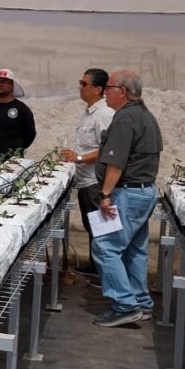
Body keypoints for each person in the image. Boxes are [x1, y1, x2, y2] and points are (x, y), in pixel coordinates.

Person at [91, 69, 163, 327]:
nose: (104, 92)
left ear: (122, 91)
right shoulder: (146, 116)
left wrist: (106, 194)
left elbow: (116, 162)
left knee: (105, 247)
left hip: (126, 193)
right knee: (134, 250)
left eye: (108, 88)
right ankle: (141, 301)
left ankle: (124, 304)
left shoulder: (125, 119)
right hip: (143, 192)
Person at [59, 68, 115, 283]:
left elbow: (108, 149)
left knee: (102, 230)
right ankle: (96, 266)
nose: (80, 87)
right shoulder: (90, 112)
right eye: (80, 83)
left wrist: (79, 158)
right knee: (92, 226)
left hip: (96, 182)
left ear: (98, 89)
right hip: (86, 181)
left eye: (84, 84)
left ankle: (107, 275)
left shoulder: (104, 114)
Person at [0, 68, 36, 161]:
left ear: (12, 85)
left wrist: (16, 148)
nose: (1, 84)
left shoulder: (22, 109)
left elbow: (30, 134)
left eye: (5, 81)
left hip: (14, 161)